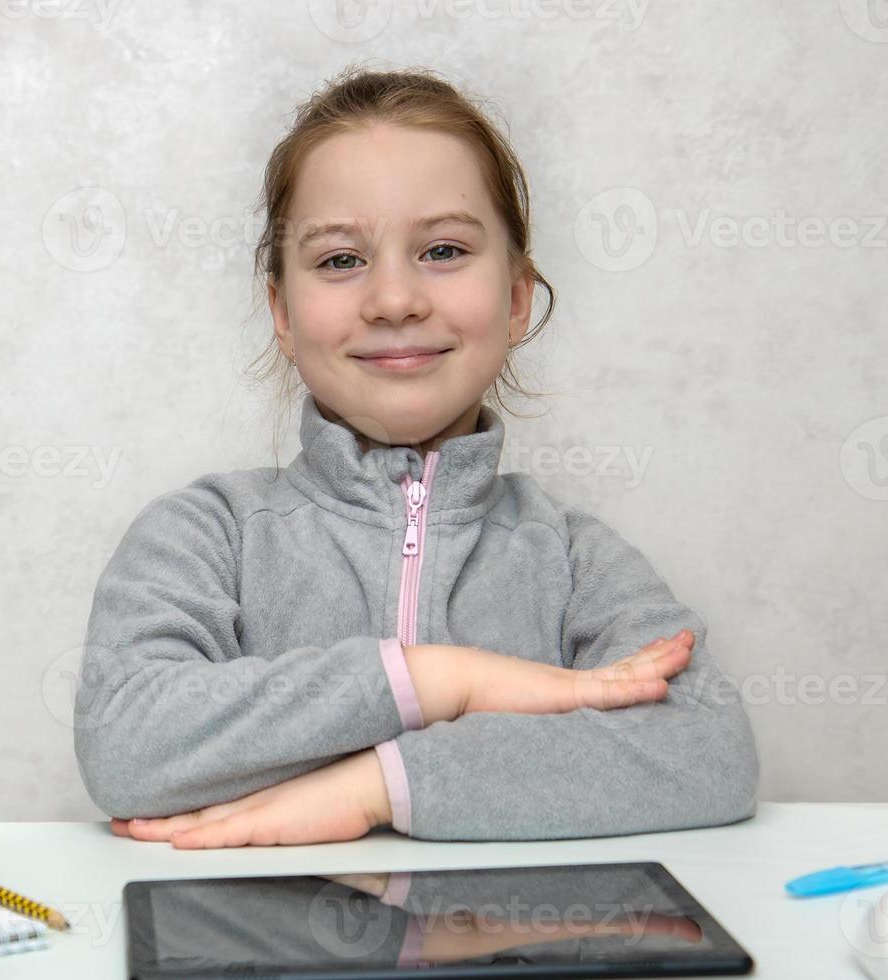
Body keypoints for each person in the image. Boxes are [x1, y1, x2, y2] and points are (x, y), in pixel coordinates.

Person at [72, 65, 759, 849]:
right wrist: (438, 682)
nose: (394, 299)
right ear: (282, 314)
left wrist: (377, 788)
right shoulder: (205, 535)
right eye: (339, 260)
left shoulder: (572, 562)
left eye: (441, 249)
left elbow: (709, 749)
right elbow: (125, 741)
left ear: (514, 297)